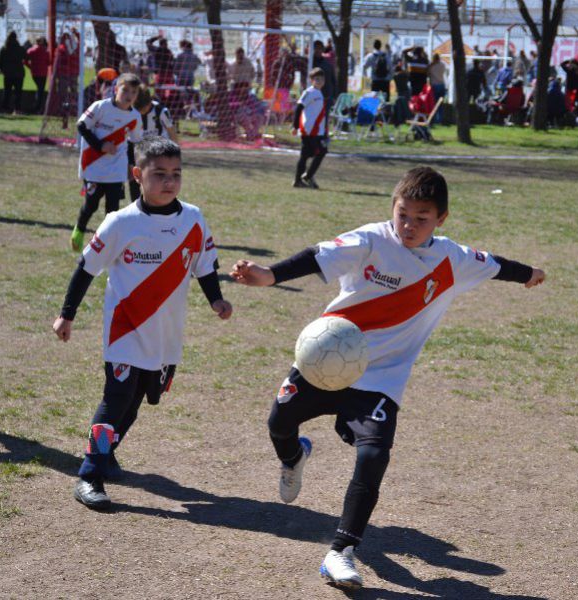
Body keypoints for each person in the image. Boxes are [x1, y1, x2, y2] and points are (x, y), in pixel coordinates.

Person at [229, 166, 546, 590]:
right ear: (391, 208)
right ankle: (293, 458)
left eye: (422, 218)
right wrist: (269, 275)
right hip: (324, 357)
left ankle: (340, 550)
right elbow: (316, 256)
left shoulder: (452, 259)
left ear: (441, 220)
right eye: (403, 214)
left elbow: (495, 264)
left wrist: (529, 274)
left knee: (374, 455)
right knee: (278, 424)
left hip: (381, 378)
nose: (410, 225)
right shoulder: (371, 239)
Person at [53, 137, 232, 510]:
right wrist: (66, 313)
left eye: (176, 174)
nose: (169, 181)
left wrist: (216, 299)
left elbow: (205, 266)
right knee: (116, 400)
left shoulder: (193, 219)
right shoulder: (121, 222)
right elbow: (86, 269)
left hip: (166, 335)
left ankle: (107, 450)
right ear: (137, 175)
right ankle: (90, 473)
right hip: (125, 330)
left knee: (139, 402)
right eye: (159, 174)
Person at [71, 73, 144, 252]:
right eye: (125, 90)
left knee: (112, 209)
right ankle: (79, 230)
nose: (128, 95)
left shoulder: (135, 116)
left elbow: (134, 142)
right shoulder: (100, 106)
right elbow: (81, 126)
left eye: (133, 92)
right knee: (91, 204)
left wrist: (132, 166)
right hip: (93, 165)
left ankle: (107, 243)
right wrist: (100, 145)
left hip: (116, 168)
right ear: (116, 89)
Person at [129, 86, 178, 199]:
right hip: (137, 149)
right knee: (135, 178)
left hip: (157, 150)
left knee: (156, 178)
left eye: (143, 109)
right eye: (138, 109)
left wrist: (175, 153)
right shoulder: (130, 111)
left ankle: (156, 202)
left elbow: (172, 132)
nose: (140, 112)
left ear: (150, 102)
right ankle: (135, 205)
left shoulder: (161, 111)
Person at [292, 68, 328, 190]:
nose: (319, 81)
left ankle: (301, 179)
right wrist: (295, 126)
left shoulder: (319, 93)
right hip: (309, 130)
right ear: (311, 80)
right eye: (316, 79)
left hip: (317, 130)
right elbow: (299, 107)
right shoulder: (309, 92)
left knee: (308, 154)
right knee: (319, 152)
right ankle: (306, 177)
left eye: (321, 79)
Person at [0, 31, 26, 113]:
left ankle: (5, 108)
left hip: (8, 73)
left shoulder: (4, 49)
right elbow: (26, 57)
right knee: (18, 92)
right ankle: (17, 109)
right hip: (19, 73)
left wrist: (3, 70)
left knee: (7, 92)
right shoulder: (20, 48)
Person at [24, 37, 49, 114]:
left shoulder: (31, 50)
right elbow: (48, 62)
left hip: (35, 72)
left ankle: (37, 107)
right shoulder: (45, 51)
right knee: (40, 90)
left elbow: (25, 61)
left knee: (39, 89)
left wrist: (30, 67)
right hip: (43, 72)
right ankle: (38, 107)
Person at [428, 53, 447, 122]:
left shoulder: (431, 66)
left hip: (434, 85)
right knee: (440, 104)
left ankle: (435, 118)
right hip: (442, 84)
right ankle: (440, 119)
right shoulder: (442, 65)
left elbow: (428, 73)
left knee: (434, 103)